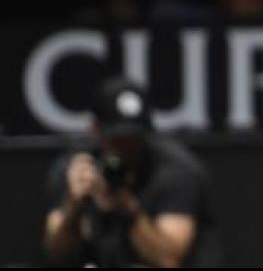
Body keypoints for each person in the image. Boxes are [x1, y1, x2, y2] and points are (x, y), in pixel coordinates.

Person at [43, 76, 219, 267]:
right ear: (96, 129)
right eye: (117, 138)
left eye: (134, 137)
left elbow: (168, 260)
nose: (125, 147)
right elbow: (57, 257)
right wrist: (74, 205)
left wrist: (127, 209)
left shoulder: (176, 172)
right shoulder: (77, 169)